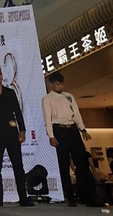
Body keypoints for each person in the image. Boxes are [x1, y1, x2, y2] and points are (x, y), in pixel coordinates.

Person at [0, 66, 33, 207]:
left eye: (0, 73)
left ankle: (23, 198)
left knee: (18, 166)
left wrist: (22, 130)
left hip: (12, 133)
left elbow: (17, 111)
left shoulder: (10, 92)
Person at [42, 72, 96, 206]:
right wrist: (51, 136)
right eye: (57, 84)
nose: (60, 86)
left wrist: (83, 129)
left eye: (61, 84)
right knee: (64, 164)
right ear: (51, 84)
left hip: (72, 129)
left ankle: (89, 197)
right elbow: (47, 118)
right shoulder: (47, 99)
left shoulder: (69, 96)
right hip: (59, 130)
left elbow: (76, 113)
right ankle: (70, 197)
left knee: (82, 162)